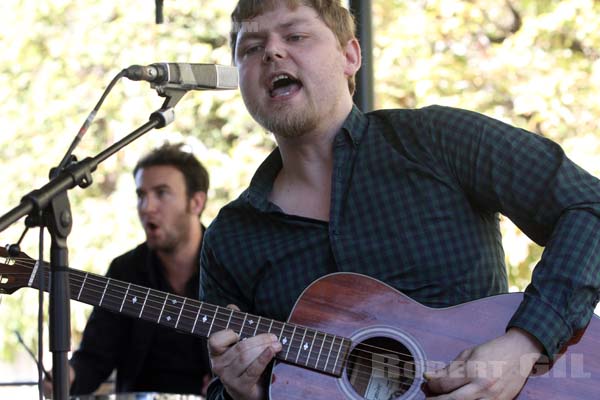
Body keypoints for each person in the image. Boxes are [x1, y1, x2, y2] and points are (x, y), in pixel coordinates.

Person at [200, 1, 600, 400]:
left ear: (350, 56)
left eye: (295, 36)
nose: (272, 52)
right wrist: (242, 393)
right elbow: (226, 385)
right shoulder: (230, 239)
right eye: (251, 47)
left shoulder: (438, 140)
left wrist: (525, 344)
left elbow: (589, 207)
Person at [46, 143, 212, 397]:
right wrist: (68, 376)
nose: (146, 207)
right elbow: (95, 356)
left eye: (161, 193)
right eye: (141, 195)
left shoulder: (229, 265)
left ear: (196, 202)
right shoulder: (125, 270)